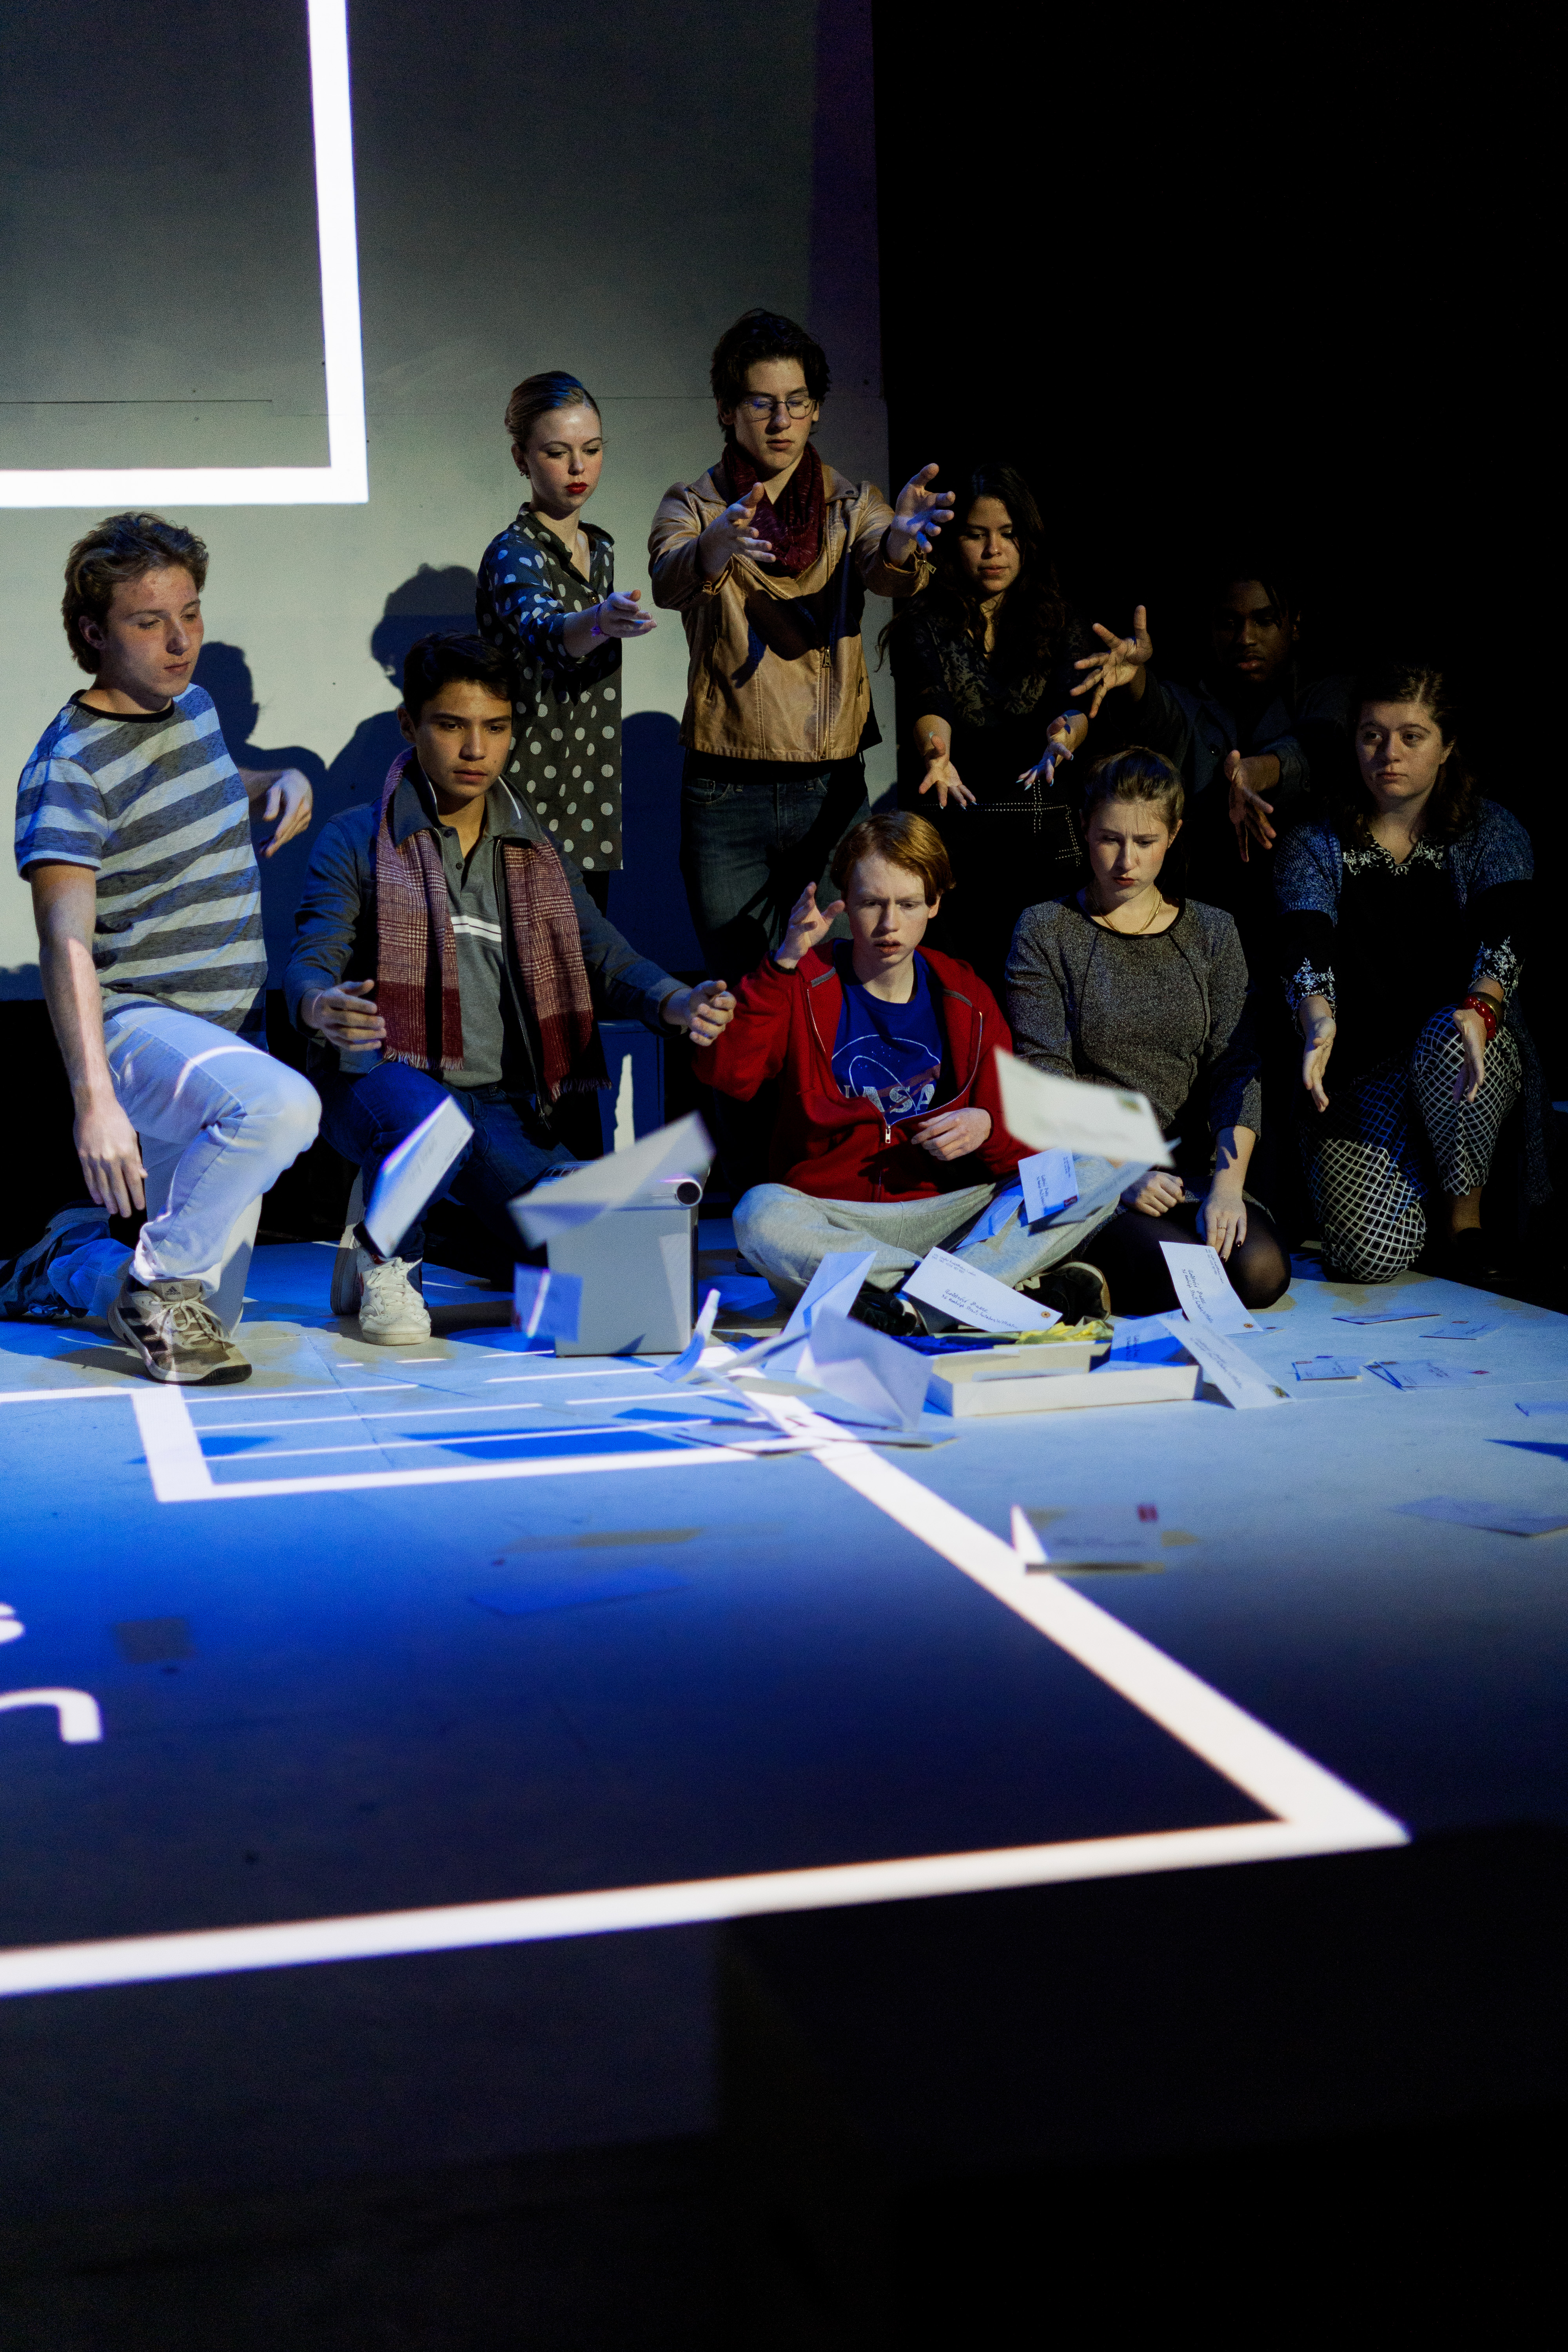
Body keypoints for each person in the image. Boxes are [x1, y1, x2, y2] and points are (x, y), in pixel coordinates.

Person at [285, 633, 734, 1345]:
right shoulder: (354, 840)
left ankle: (393, 1224)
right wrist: (320, 1005)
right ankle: (388, 1259)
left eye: (495, 728)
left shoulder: (534, 851)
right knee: (430, 1124)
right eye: (451, 725)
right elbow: (311, 958)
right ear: (410, 725)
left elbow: (602, 954)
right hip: (380, 1082)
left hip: (494, 1102)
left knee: (595, 1268)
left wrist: (674, 1001)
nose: (476, 750)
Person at [2, 513, 319, 1383]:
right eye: (149, 622)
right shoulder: (68, 765)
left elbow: (206, 776)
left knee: (204, 1317)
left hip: (223, 1032)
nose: (180, 641)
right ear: (93, 633)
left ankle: (69, 1264)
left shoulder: (194, 708)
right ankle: (151, 1277)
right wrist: (94, 1103)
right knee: (283, 1109)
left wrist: (272, 778)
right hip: (138, 1027)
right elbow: (64, 942)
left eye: (191, 613)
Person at [692, 808, 1120, 1333]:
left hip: (947, 1216)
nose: (889, 924)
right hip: (833, 1221)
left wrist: (988, 1125)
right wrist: (780, 964)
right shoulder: (803, 977)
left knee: (1094, 1168)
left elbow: (1025, 1138)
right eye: (871, 903)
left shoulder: (965, 992)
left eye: (908, 904)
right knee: (758, 1214)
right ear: (845, 902)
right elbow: (729, 1073)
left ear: (934, 905)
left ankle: (912, 1304)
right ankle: (975, 1291)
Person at [648, 307, 952, 988]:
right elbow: (669, 578)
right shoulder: (694, 506)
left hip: (831, 785)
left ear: (816, 410)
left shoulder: (853, 505)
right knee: (741, 996)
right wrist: (714, 547)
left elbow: (884, 561)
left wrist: (903, 539)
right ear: (729, 411)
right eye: (762, 403)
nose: (781, 421)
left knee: (837, 990)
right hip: (727, 788)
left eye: (797, 402)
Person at [1275, 662, 1540, 1285]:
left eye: (1411, 736)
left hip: (1460, 1056)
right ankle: (1411, 1183)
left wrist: (1481, 1007)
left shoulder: (1488, 830)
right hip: (1364, 1071)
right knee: (1367, 1259)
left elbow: (1508, 935)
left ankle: (1462, 1222)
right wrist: (1317, 1024)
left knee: (1457, 1035)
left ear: (1445, 746)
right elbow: (1304, 944)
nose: (1388, 753)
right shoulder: (1317, 839)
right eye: (1372, 735)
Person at [882, 462, 1189, 999]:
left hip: (1043, 838)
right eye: (977, 536)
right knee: (964, 997)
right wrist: (937, 754)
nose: (993, 551)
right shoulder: (923, 621)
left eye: (1007, 535)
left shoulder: (1058, 618)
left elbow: (1075, 708)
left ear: (1027, 542)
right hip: (959, 834)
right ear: (955, 542)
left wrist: (1061, 740)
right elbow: (928, 703)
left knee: (1044, 996)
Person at [1007, 748, 1290, 1315]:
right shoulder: (1046, 928)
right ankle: (1074, 1259)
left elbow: (1236, 1066)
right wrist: (1118, 1176)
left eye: (1145, 842)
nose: (1126, 860)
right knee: (1180, 1281)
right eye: (1110, 838)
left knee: (1261, 1274)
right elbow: (1046, 1075)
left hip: (1188, 1167)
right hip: (1091, 1166)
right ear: (1085, 828)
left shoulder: (1213, 931)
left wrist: (1228, 1188)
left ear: (1174, 835)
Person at [476, 370, 655, 914]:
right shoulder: (514, 553)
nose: (579, 468)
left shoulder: (599, 549)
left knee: (587, 967)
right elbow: (546, 632)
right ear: (521, 458)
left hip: (590, 794)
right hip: (526, 788)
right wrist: (600, 619)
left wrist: (602, 619)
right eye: (557, 452)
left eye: (592, 449)